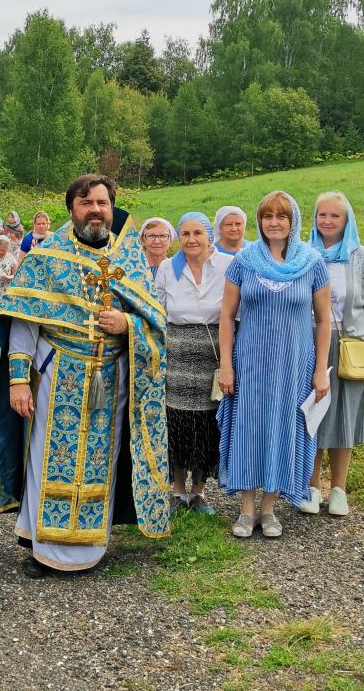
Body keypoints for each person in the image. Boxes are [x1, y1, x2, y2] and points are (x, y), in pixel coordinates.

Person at [0, 173, 170, 578]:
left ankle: (92, 546)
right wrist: (17, 380)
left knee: (103, 455)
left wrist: (126, 324)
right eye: (86, 203)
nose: (95, 211)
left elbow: (154, 321)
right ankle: (42, 546)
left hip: (110, 375)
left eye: (101, 203)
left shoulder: (129, 258)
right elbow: (24, 322)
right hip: (57, 371)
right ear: (72, 210)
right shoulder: (46, 257)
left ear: (111, 207)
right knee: (49, 456)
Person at [217, 191, 331, 539]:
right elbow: (226, 315)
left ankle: (269, 508)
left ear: (293, 221)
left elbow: (324, 320)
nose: (274, 222)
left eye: (282, 216)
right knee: (249, 427)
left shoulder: (312, 262)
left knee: (284, 426)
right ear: (260, 221)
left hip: (294, 364)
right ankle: (246, 507)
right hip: (250, 361)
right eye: (268, 216)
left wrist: (320, 368)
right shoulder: (244, 260)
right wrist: (226, 365)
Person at [302, 191, 364, 516]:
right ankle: (310, 486)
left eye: (334, 216)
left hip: (353, 346)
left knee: (344, 418)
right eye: (322, 215)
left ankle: (338, 490)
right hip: (310, 343)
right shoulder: (304, 254)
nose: (327, 221)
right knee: (313, 415)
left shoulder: (362, 257)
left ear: (347, 219)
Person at [154, 212, 229, 515]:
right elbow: (158, 310)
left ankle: (198, 492)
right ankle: (177, 491)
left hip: (213, 350)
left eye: (198, 233)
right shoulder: (166, 269)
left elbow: (233, 311)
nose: (191, 239)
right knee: (176, 421)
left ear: (209, 235)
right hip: (176, 352)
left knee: (205, 423)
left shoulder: (226, 266)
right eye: (185, 234)